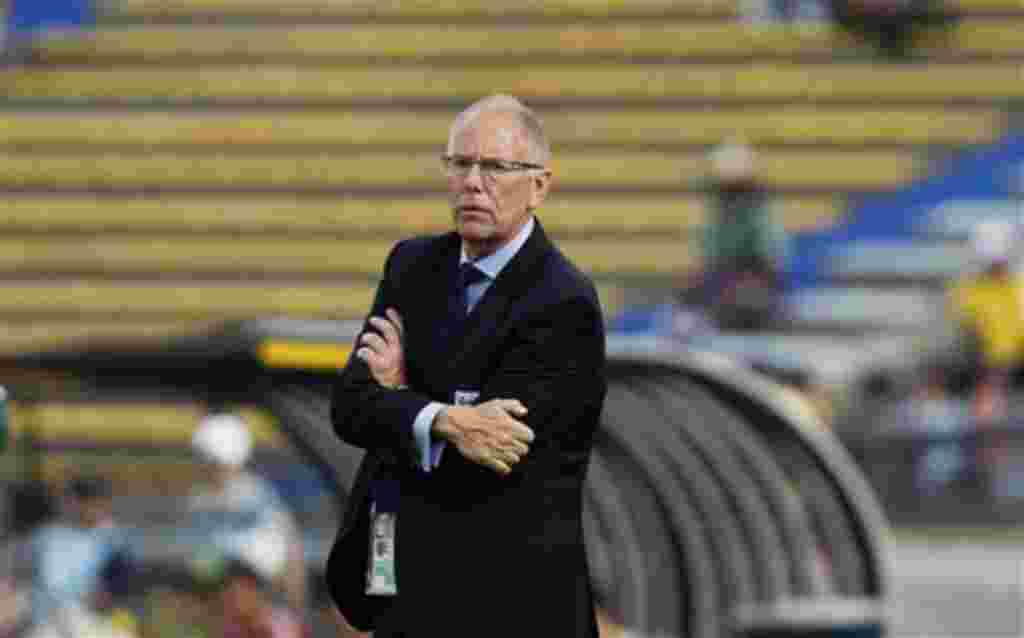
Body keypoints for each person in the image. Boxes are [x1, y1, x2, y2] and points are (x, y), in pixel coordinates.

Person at [327, 94, 608, 637]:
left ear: (540, 186)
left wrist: (401, 396)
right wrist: (447, 419)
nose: (473, 182)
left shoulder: (563, 301)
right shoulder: (411, 265)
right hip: (406, 599)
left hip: (511, 607)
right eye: (460, 163)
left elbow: (499, 455)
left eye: (497, 167)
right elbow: (349, 407)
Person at [187, 413, 306, 612]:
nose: (215, 470)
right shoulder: (199, 501)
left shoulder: (258, 495)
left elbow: (291, 554)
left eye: (218, 463)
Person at [687, 140, 788, 331]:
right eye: (725, 190)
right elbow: (708, 257)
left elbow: (772, 256)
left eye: (736, 189)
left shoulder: (760, 213)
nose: (729, 197)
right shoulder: (716, 214)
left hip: (756, 286)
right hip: (725, 286)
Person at [25, 475, 138, 631]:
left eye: (98, 504)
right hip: (48, 617)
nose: (94, 509)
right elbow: (23, 578)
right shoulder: (45, 537)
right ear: (72, 503)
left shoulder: (113, 538)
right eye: (84, 503)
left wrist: (105, 599)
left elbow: (122, 583)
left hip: (93, 616)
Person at [216, 558, 304, 638]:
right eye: (229, 596)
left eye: (236, 594)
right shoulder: (235, 626)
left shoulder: (281, 623)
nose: (234, 603)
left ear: (254, 590)